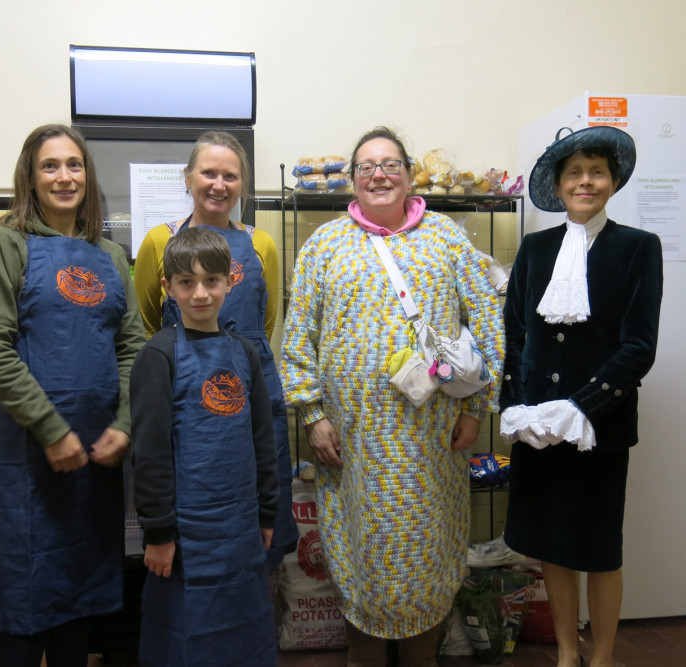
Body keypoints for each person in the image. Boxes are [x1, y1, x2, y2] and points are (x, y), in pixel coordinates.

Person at [280, 126, 505, 667]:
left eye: (390, 164)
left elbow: (490, 326)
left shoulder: (447, 238)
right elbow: (297, 339)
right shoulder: (323, 246)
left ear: (407, 174)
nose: (378, 174)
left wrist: (475, 410)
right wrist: (312, 415)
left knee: (424, 571)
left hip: (431, 447)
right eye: (366, 167)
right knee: (365, 570)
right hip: (351, 449)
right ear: (352, 181)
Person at [0, 124, 146, 666]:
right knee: (23, 608)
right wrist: (51, 429)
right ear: (31, 176)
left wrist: (126, 423)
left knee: (79, 608)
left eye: (74, 165)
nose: (64, 176)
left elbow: (133, 347)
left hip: (96, 464)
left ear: (87, 176)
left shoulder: (112, 256)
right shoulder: (5, 244)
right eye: (50, 166)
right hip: (27, 464)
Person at [499, 126, 663, 667]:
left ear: (612, 181)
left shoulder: (639, 247)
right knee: (551, 545)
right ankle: (568, 654)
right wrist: (521, 407)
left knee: (599, 548)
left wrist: (581, 407)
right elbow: (517, 333)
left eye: (596, 171)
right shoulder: (536, 247)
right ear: (560, 183)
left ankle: (604, 657)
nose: (585, 181)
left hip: (601, 427)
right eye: (575, 172)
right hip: (538, 428)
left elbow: (639, 348)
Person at [134, 131, 297, 571]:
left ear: (242, 183)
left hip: (252, 387)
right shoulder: (157, 242)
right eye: (208, 173)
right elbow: (149, 322)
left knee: (261, 500)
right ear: (188, 178)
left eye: (230, 175)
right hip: (185, 396)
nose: (218, 184)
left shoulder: (261, 244)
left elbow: (264, 321)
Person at [130, 226, 279, 666]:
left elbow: (262, 441)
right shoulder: (157, 357)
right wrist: (157, 533)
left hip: (240, 531)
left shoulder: (245, 353)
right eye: (186, 282)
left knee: (243, 638)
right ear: (167, 287)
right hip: (184, 537)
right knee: (184, 639)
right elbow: (151, 454)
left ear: (230, 282)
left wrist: (267, 511)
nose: (200, 293)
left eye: (211, 281)